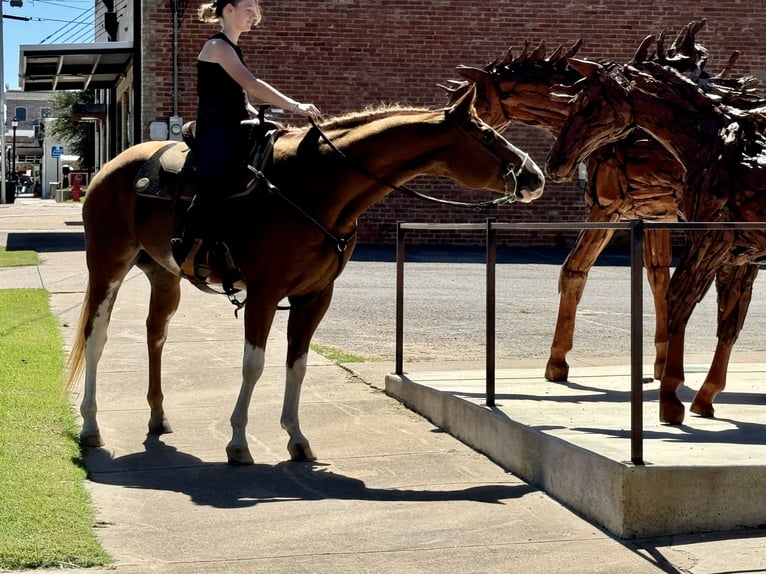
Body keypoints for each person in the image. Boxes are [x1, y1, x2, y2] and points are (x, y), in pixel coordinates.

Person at [172, 0, 321, 278]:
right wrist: (295, 106)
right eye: (248, 9)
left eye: (256, 10)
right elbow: (251, 84)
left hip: (236, 123)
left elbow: (241, 97)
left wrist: (264, 116)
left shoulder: (232, 48)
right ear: (229, 10)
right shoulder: (217, 47)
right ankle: (191, 247)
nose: (255, 15)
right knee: (216, 180)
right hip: (217, 128)